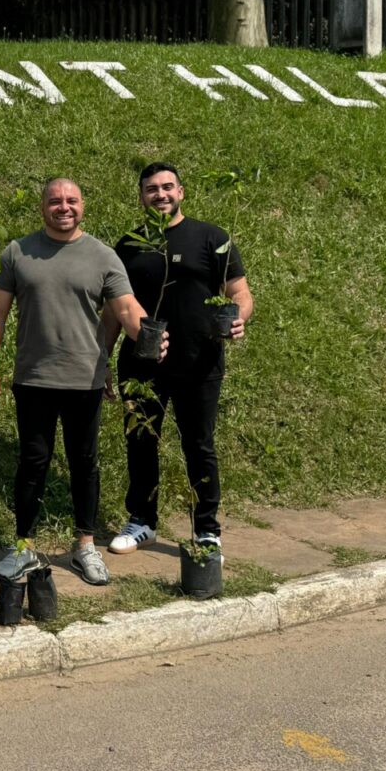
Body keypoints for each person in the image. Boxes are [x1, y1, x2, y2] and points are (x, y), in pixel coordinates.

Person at [0, 178, 164, 586]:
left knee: (84, 464)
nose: (64, 207)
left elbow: (126, 307)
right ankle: (23, 546)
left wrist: (147, 332)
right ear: (43, 207)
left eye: (71, 200)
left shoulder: (103, 256)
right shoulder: (18, 252)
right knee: (32, 463)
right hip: (34, 378)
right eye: (55, 201)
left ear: (83, 206)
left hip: (85, 379)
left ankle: (84, 545)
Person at [107, 162, 251, 555]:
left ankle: (206, 529)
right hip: (141, 364)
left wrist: (237, 319)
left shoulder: (211, 238)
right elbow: (116, 310)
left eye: (167, 187)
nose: (160, 195)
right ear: (141, 197)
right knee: (139, 441)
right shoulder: (129, 245)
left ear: (181, 192)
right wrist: (102, 358)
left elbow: (239, 292)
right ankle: (142, 521)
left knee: (199, 444)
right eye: (151, 189)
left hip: (199, 363)